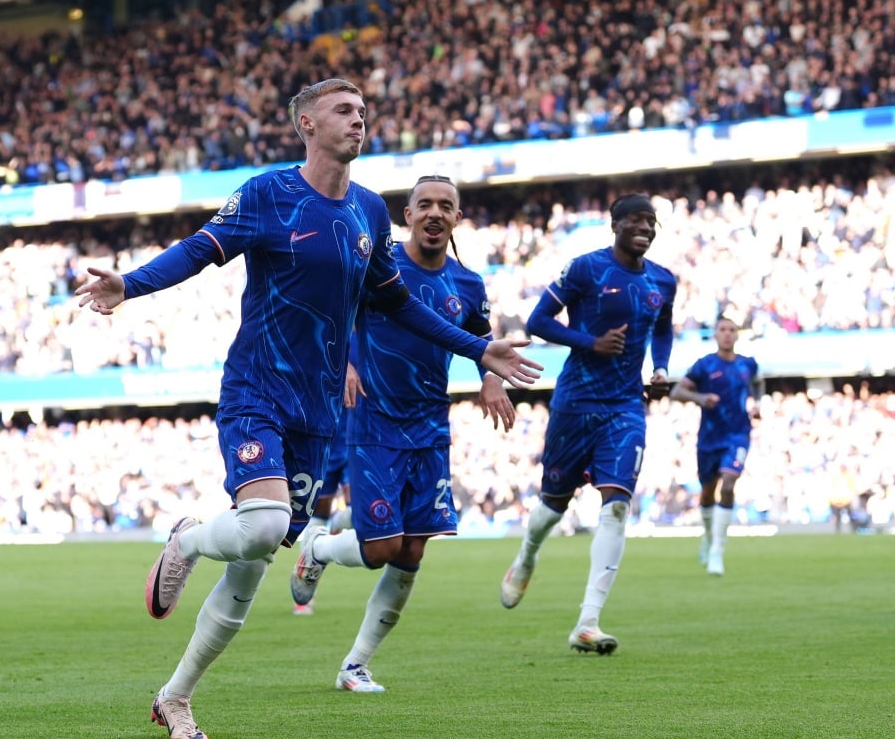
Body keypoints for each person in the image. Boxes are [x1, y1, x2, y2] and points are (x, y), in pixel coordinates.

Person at [74, 78, 542, 739]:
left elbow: (396, 300)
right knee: (264, 526)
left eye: (363, 112)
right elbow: (200, 250)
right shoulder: (268, 193)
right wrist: (131, 283)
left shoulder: (370, 211)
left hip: (319, 414)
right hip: (258, 388)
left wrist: (477, 348)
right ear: (306, 124)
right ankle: (187, 540)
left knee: (252, 567)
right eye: (344, 111)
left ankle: (176, 697)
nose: (359, 120)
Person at [288, 174, 516, 692]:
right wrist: (346, 363)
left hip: (431, 426)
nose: (435, 213)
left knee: (413, 552)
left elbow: (483, 342)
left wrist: (490, 380)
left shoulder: (468, 284)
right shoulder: (379, 266)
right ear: (407, 215)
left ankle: (355, 665)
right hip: (374, 421)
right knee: (381, 550)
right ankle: (319, 548)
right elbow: (334, 314)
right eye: (425, 204)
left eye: (446, 206)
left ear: (457, 218)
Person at [499, 193, 676, 655]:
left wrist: (660, 366)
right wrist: (590, 342)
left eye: (651, 222)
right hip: (576, 402)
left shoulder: (663, 279)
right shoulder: (586, 269)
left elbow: (663, 326)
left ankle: (588, 622)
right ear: (615, 225)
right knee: (553, 504)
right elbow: (539, 321)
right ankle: (527, 554)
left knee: (617, 505)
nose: (645, 228)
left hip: (626, 406)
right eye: (636, 220)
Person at [669, 314, 760, 575]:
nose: (727, 334)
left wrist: (756, 404)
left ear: (737, 334)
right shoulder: (704, 365)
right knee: (707, 492)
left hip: (738, 435)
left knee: (729, 483)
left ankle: (718, 550)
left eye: (732, 329)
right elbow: (677, 392)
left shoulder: (748, 364)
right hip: (709, 439)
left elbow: (757, 384)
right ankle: (709, 537)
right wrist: (700, 398)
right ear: (716, 334)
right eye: (723, 329)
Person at [292, 410, 353, 616]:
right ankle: (307, 585)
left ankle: (338, 522)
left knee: (359, 512)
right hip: (325, 439)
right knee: (318, 513)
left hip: (358, 438)